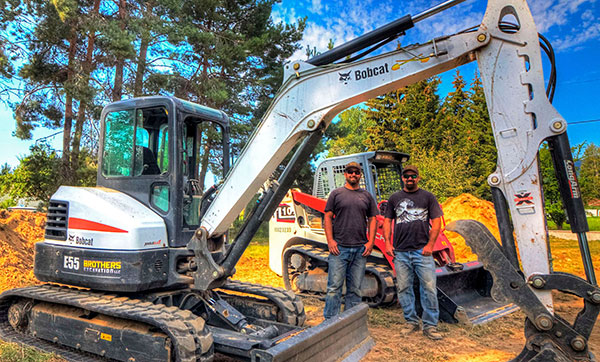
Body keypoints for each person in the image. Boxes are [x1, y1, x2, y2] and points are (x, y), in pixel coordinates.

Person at [383, 165, 444, 340]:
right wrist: (387, 243)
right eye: (407, 176)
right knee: (403, 288)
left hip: (422, 252)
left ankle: (430, 325)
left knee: (429, 288)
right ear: (403, 178)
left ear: (418, 178)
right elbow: (387, 221)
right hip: (400, 253)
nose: (410, 179)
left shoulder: (428, 197)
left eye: (413, 176)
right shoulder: (394, 198)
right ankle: (411, 322)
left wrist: (430, 245)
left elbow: (437, 222)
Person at [323, 161, 378, 319]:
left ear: (360, 175)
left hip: (360, 249)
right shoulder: (336, 194)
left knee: (355, 289)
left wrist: (370, 242)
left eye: (356, 172)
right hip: (339, 248)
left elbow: (373, 218)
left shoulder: (366, 196)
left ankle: (350, 321)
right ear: (345, 174)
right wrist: (331, 241)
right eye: (350, 172)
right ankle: (330, 321)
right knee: (334, 287)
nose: (353, 174)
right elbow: (327, 216)